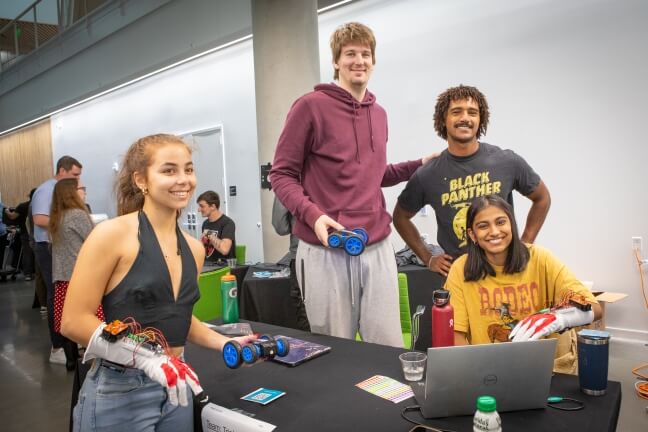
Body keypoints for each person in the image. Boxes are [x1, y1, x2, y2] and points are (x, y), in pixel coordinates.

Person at [61, 134, 256, 431]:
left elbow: (178, 317)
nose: (183, 180)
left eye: (188, 170)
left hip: (176, 386)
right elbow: (73, 321)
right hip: (119, 391)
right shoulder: (111, 235)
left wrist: (224, 342)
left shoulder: (194, 248)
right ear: (142, 180)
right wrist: (145, 357)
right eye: (169, 170)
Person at [270, 22, 435, 347]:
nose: (358, 60)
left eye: (365, 54)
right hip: (325, 250)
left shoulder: (380, 114)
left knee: (386, 347)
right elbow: (281, 174)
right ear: (336, 61)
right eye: (350, 54)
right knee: (335, 347)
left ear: (373, 61)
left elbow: (374, 175)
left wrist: (418, 166)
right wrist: (313, 215)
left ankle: (390, 399)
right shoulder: (309, 107)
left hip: (376, 247)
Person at [393, 85, 551, 277]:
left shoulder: (506, 161)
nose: (465, 118)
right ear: (444, 119)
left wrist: (526, 243)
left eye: (472, 112)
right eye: (456, 112)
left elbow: (542, 198)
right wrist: (428, 258)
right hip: (461, 276)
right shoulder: (428, 175)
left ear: (480, 119)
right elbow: (400, 217)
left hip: (508, 270)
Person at [444, 195, 601, 346]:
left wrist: (559, 320)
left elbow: (595, 308)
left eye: (500, 222)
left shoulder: (541, 258)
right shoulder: (460, 269)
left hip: (546, 366)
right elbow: (455, 335)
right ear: (472, 234)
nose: (494, 232)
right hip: (487, 368)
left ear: (511, 224)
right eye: (483, 226)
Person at [32, 155, 83, 364]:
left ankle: (72, 340)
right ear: (62, 171)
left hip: (61, 248)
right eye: (74, 175)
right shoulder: (47, 190)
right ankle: (58, 347)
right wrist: (72, 220)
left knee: (67, 295)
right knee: (57, 296)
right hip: (49, 248)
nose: (77, 180)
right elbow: (40, 218)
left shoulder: (59, 190)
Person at [49, 178, 103, 370]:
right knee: (93, 319)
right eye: (82, 188)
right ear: (72, 192)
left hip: (62, 277)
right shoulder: (78, 215)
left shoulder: (57, 216)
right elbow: (94, 241)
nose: (85, 192)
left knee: (68, 321)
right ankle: (99, 358)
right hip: (80, 276)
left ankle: (72, 360)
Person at [271, 195, 310, 332]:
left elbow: (281, 227)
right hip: (337, 252)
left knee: (304, 310)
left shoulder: (288, 180)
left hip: (302, 253)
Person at [5, 189, 36, 280]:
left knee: (27, 253)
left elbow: (12, 216)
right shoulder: (40, 206)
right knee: (38, 253)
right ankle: (38, 273)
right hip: (38, 233)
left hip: (25, 232)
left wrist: (7, 210)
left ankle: (28, 274)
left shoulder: (23, 206)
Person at [196, 190, 236, 262]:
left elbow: (224, 250)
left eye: (202, 206)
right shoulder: (205, 223)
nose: (199, 210)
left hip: (223, 269)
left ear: (213, 206)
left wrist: (208, 234)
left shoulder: (228, 223)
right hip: (207, 267)